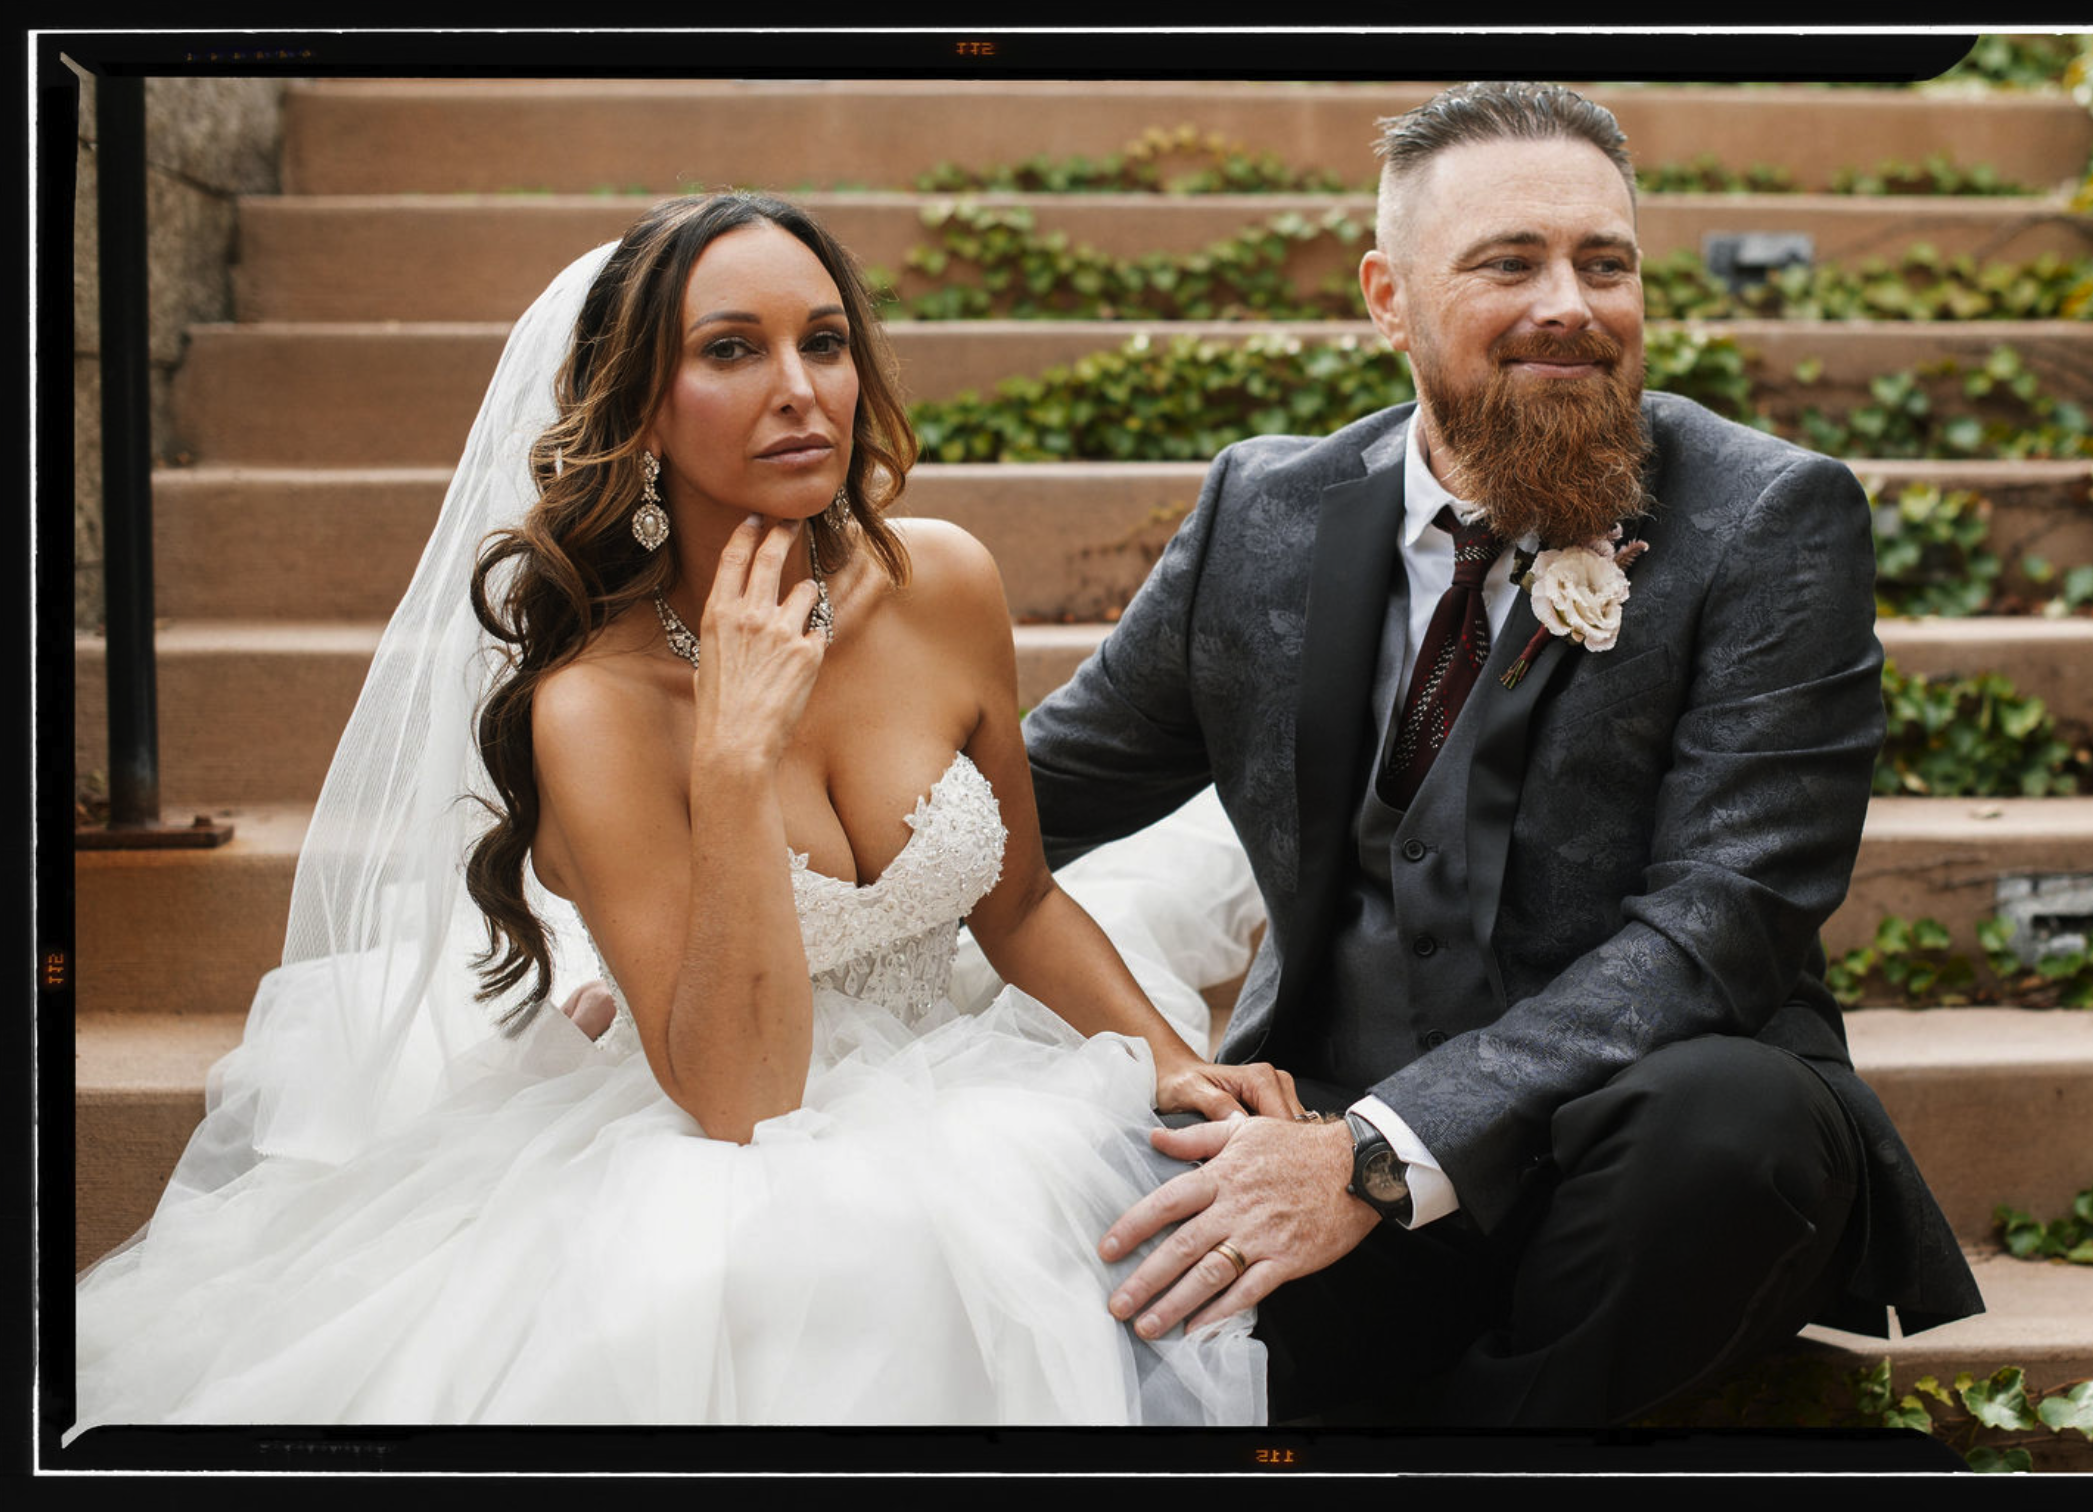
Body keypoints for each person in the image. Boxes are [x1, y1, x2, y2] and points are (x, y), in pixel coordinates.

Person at [69, 192, 1288, 1432]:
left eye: (823, 341)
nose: (800, 389)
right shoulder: (593, 706)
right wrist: (734, 755)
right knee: (825, 1272)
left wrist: (1177, 1063)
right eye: (729, 350)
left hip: (978, 1073)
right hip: (736, 1125)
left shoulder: (942, 580)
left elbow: (1018, 903)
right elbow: (741, 1100)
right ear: (641, 407)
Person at [1021, 81, 1987, 1426]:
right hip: (1327, 1123)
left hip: (1637, 1164)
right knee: (1107, 1222)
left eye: (1604, 263)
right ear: (1387, 298)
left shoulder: (1768, 516)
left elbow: (1727, 923)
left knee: (1729, 1129)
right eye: (1507, 263)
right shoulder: (1265, 513)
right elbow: (1023, 801)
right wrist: (725, 805)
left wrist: (1378, 1155)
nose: (1570, 306)